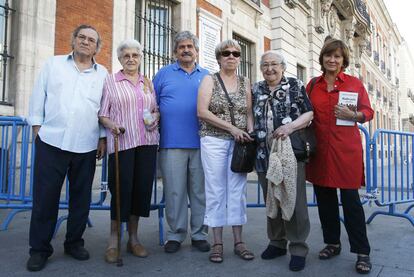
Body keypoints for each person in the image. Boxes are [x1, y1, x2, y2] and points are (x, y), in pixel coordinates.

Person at [26, 24, 108, 271]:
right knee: (45, 199)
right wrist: (37, 128)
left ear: (97, 47)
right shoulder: (53, 65)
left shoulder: (103, 73)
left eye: (91, 39)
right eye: (81, 37)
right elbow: (38, 96)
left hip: (85, 144)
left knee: (81, 198)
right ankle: (39, 249)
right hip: (52, 142)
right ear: (73, 41)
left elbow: (104, 109)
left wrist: (102, 137)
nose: (85, 42)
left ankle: (74, 242)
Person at [306, 38, 374, 274]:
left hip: (346, 152)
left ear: (344, 60)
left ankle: (362, 252)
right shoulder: (313, 84)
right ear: (322, 58)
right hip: (320, 152)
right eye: (328, 55)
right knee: (325, 202)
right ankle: (332, 243)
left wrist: (354, 115)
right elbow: (304, 113)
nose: (332, 60)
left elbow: (368, 111)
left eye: (337, 56)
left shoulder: (354, 84)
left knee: (351, 203)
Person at [98, 39, 159, 263]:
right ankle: (114, 239)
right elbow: (103, 113)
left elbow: (154, 109)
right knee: (121, 191)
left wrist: (156, 117)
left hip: (147, 143)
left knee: (141, 191)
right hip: (122, 144)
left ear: (141, 58)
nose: (131, 59)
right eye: (127, 56)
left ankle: (133, 238)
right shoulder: (111, 82)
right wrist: (111, 125)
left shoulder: (148, 83)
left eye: (135, 55)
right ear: (120, 59)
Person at [252, 50, 313, 271]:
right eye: (265, 65)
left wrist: (290, 127)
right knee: (272, 199)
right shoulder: (256, 88)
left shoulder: (295, 86)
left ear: (283, 67)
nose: (270, 69)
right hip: (262, 154)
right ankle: (277, 242)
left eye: (274, 64)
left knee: (294, 200)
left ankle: (298, 247)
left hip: (288, 153)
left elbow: (309, 113)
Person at [197, 39, 254, 263]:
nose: (231, 56)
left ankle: (239, 242)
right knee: (216, 190)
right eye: (226, 53)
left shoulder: (245, 82)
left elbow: (248, 112)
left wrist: (249, 132)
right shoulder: (209, 80)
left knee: (237, 192)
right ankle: (217, 243)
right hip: (214, 141)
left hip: (239, 143)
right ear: (219, 57)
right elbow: (202, 112)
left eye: (236, 53)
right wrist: (232, 128)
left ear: (240, 58)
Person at [153, 31, 210, 253]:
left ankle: (199, 234)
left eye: (190, 46)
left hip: (201, 143)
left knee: (199, 191)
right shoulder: (163, 74)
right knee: (174, 191)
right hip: (171, 143)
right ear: (175, 51)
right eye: (181, 47)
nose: (186, 50)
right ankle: (175, 234)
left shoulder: (206, 76)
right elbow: (152, 105)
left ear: (196, 51)